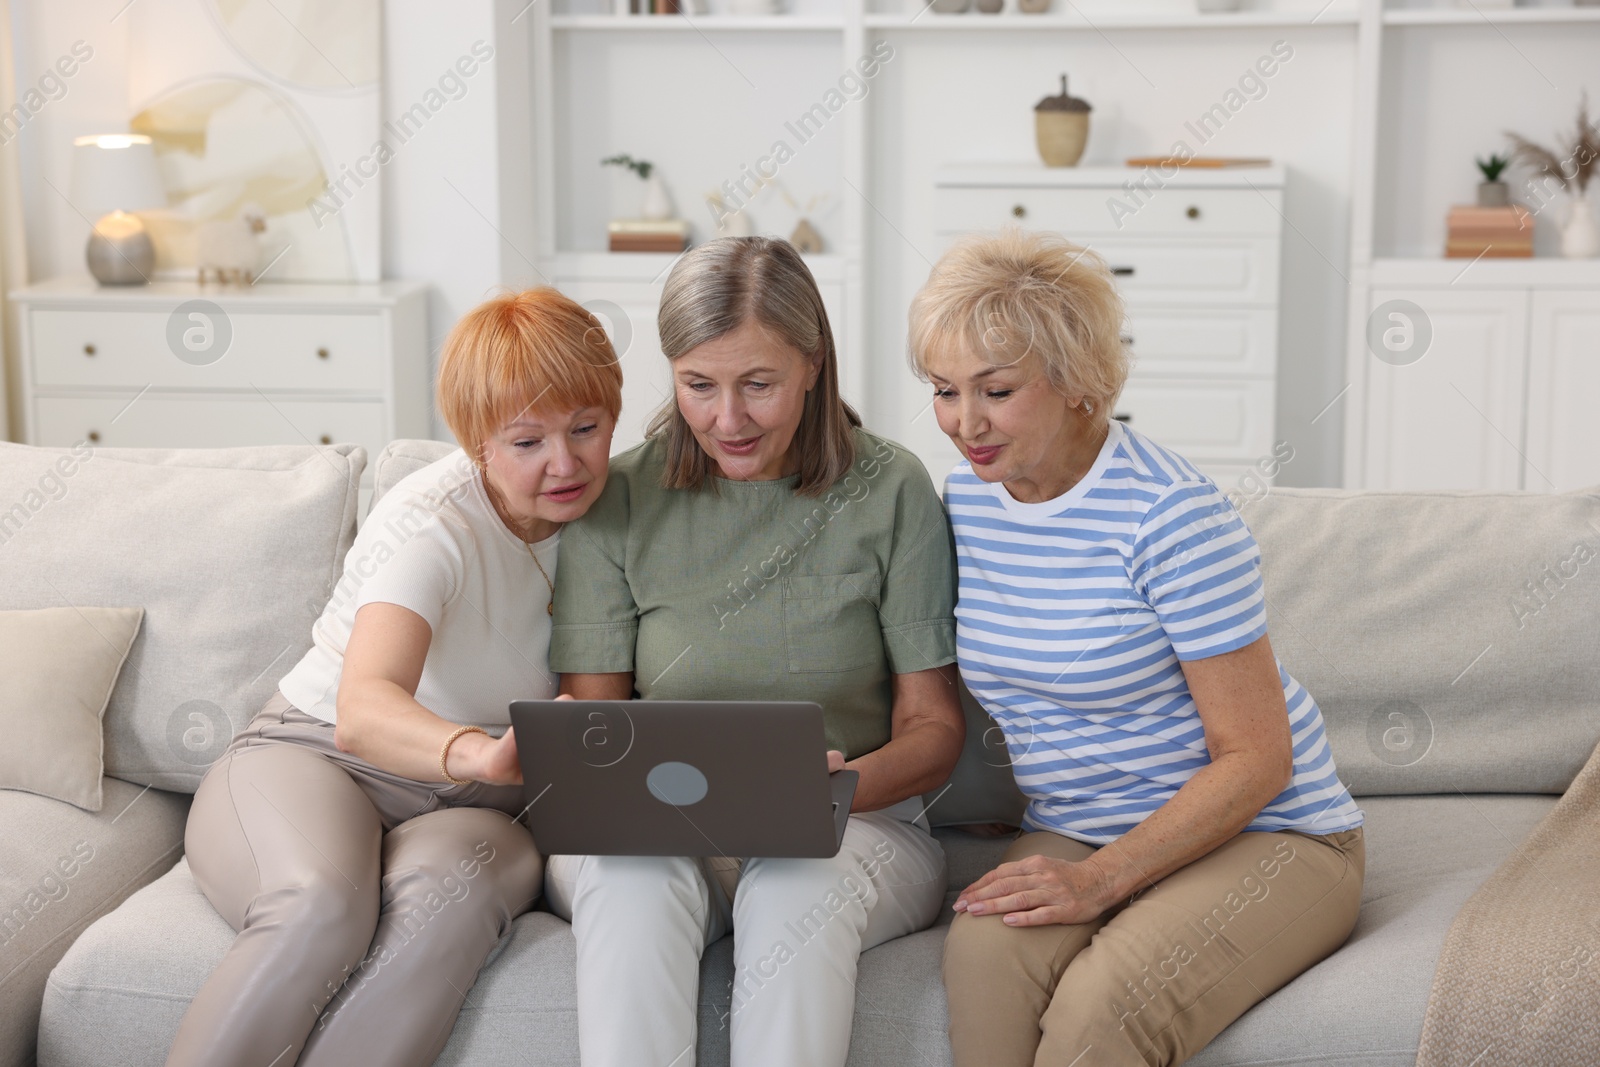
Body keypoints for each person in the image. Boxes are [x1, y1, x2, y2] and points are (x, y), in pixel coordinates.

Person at [909, 228, 1365, 1067]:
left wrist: (1102, 878)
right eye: (943, 390)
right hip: (1075, 825)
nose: (963, 423)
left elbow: (1258, 758)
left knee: (1101, 1009)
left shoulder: (1171, 516)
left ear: (1077, 383)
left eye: (997, 390)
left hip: (1270, 834)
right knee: (981, 955)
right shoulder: (967, 503)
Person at [167, 288, 623, 1067]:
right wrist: (479, 753)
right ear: (478, 441)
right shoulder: (431, 520)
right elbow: (365, 708)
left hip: (483, 804)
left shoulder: (615, 518)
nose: (565, 462)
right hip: (315, 757)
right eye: (526, 441)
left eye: (586, 428)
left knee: (453, 904)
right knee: (322, 905)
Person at [544, 235, 964, 1067]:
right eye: (698, 385)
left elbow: (934, 728)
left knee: (796, 882)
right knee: (631, 881)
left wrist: (836, 789)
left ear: (812, 365)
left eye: (759, 385)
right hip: (655, 830)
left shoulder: (892, 488)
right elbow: (592, 721)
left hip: (857, 824)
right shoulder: (618, 497)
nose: (726, 420)